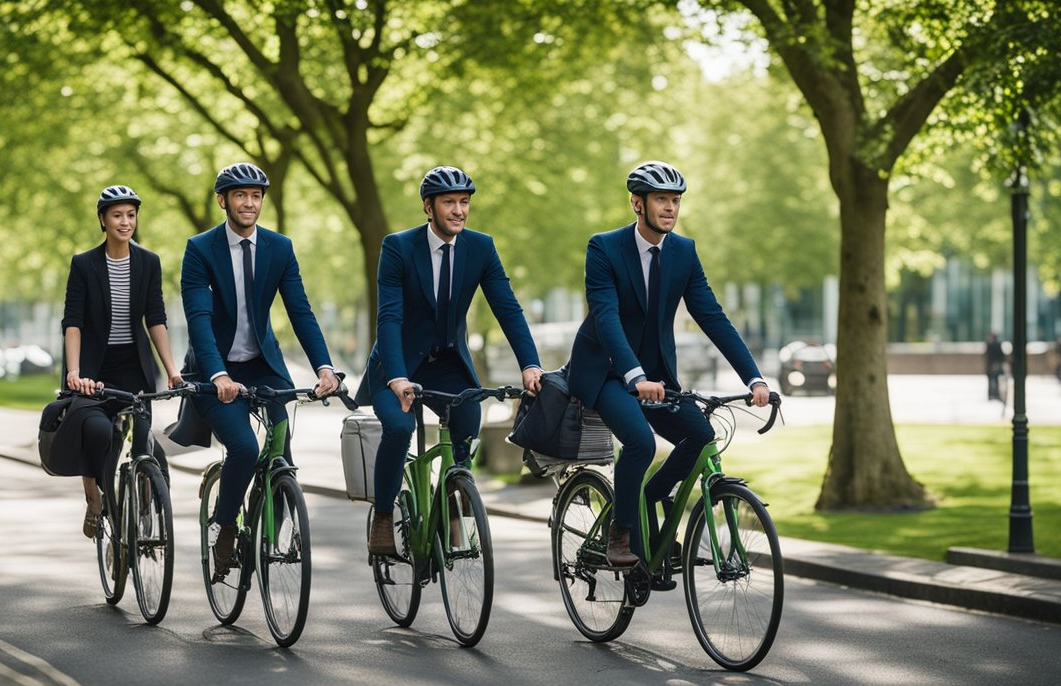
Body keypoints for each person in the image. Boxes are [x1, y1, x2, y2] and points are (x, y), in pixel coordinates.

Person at [566, 161, 770, 567]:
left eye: (675, 200)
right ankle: (620, 534)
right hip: (607, 371)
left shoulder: (684, 252)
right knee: (640, 442)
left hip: (657, 376)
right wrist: (634, 374)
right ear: (637, 204)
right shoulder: (604, 248)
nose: (671, 208)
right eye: (661, 199)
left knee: (700, 436)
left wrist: (754, 376)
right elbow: (605, 317)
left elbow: (711, 316)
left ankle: (646, 496)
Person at [359, 165, 542, 557]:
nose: (459, 210)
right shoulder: (398, 247)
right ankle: (384, 516)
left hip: (448, 365)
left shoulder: (481, 247)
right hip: (398, 365)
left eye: (464, 202)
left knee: (467, 423)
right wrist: (395, 377)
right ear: (428, 207)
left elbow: (507, 310)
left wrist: (530, 364)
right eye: (449, 203)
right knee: (397, 428)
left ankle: (452, 503)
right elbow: (388, 318)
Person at [175, 162, 340, 574]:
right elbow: (198, 319)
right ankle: (225, 524)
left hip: (263, 368)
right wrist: (218, 375)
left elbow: (300, 311)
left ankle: (273, 527)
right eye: (240, 195)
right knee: (246, 448)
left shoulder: (279, 248)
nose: (249, 203)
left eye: (256, 196)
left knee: (281, 453)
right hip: (215, 373)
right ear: (223, 201)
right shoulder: (200, 249)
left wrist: (324, 367)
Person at [58, 185, 183, 539]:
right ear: (103, 220)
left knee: (143, 440)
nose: (125, 222)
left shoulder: (148, 262)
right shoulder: (84, 264)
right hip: (94, 369)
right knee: (97, 433)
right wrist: (74, 372)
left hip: (135, 367)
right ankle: (94, 499)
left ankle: (142, 513)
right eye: (117, 215)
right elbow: (73, 322)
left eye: (131, 215)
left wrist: (172, 370)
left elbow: (155, 319)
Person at [984, 331, 1006, 401]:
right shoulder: (998, 345)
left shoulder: (989, 345)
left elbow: (986, 356)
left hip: (991, 365)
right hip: (996, 365)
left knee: (991, 380)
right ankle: (996, 394)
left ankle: (991, 394)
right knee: (996, 380)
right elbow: (1002, 356)